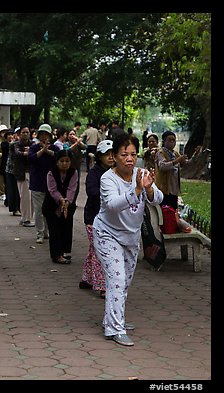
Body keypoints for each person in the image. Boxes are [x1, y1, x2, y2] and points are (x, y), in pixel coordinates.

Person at [93, 133, 163, 346]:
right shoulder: (107, 178)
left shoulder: (141, 174)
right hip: (107, 234)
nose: (129, 158)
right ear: (114, 156)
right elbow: (113, 204)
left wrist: (149, 187)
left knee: (124, 282)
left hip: (130, 237)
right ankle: (115, 328)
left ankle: (115, 317)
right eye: (124, 154)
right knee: (116, 278)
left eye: (133, 154)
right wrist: (138, 189)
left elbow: (158, 198)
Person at [79, 139, 114, 298]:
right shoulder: (94, 173)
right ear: (100, 156)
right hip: (93, 218)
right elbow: (92, 192)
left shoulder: (116, 172)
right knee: (100, 251)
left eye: (113, 154)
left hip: (111, 219)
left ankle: (87, 278)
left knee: (95, 249)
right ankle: (102, 286)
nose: (111, 158)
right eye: (107, 155)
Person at [42, 149, 79, 264]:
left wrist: (67, 201)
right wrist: (61, 200)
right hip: (51, 206)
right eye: (62, 161)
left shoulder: (74, 172)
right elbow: (52, 190)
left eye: (67, 161)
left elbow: (72, 188)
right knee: (54, 231)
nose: (64, 164)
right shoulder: (51, 173)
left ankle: (62, 252)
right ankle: (56, 255)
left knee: (65, 229)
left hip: (67, 206)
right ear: (57, 162)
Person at [28, 123, 59, 244]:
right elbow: (31, 158)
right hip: (37, 183)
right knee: (39, 210)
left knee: (50, 210)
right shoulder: (34, 147)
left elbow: (60, 157)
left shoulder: (55, 148)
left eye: (46, 134)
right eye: (42, 134)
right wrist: (42, 150)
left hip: (51, 185)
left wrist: (48, 151)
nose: (44, 137)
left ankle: (47, 232)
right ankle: (40, 233)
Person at [155, 130, 189, 210]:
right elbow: (162, 166)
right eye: (169, 140)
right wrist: (177, 161)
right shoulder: (161, 153)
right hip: (164, 188)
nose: (172, 142)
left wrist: (196, 155)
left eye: (174, 140)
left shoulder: (175, 153)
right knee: (164, 210)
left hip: (174, 189)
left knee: (173, 210)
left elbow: (185, 164)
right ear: (164, 141)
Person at [12, 126, 34, 226]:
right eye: (23, 132)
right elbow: (17, 154)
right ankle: (26, 219)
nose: (25, 134)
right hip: (21, 173)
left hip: (30, 172)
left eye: (27, 132)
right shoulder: (15, 145)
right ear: (19, 134)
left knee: (29, 197)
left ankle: (26, 217)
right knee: (24, 196)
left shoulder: (33, 144)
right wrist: (26, 153)